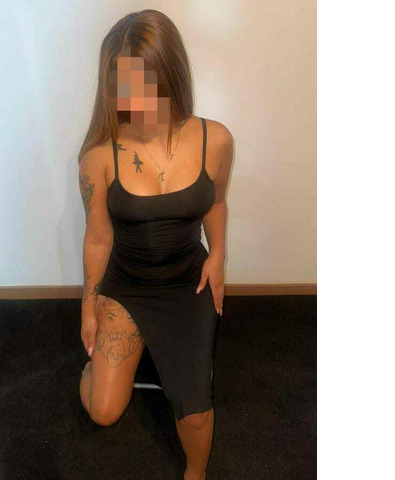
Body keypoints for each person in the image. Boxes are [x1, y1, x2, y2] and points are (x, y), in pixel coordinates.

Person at [77, 10, 233, 480]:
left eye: (147, 82)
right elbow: (99, 237)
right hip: (127, 285)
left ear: (171, 72)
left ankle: (195, 475)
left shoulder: (215, 140)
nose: (135, 98)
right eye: (123, 84)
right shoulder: (99, 156)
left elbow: (216, 203)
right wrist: (88, 305)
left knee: (195, 412)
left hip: (187, 283)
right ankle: (105, 366)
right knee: (103, 411)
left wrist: (219, 255)